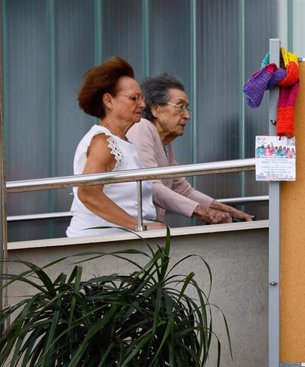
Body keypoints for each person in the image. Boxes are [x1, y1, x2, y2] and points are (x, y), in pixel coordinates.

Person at [127, 73, 253, 224]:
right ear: (155, 109)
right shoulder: (142, 127)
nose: (187, 115)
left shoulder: (165, 143)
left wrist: (231, 211)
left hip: (147, 228)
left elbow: (182, 189)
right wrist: (203, 212)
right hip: (128, 229)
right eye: (180, 107)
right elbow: (150, 184)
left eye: (187, 108)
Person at [66, 56, 164, 237]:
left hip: (120, 244)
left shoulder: (121, 141)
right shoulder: (103, 142)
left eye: (142, 98)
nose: (142, 104)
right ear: (108, 101)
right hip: (104, 249)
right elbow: (88, 192)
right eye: (134, 98)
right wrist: (138, 226)